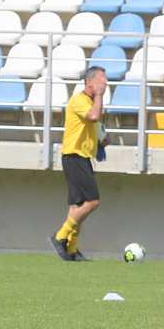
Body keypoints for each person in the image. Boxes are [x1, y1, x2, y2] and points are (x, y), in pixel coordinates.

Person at [50, 66, 106, 262]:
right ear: (89, 82)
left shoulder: (91, 101)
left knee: (77, 206)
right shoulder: (79, 100)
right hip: (74, 156)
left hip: (81, 156)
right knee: (92, 201)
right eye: (101, 79)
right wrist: (99, 96)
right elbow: (93, 116)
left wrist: (101, 141)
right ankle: (60, 236)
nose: (105, 83)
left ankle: (71, 249)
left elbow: (94, 124)